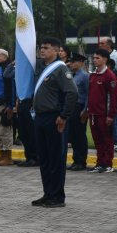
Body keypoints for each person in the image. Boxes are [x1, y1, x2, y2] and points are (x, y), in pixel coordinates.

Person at [31, 37, 78, 208]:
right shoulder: (42, 68)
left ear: (57, 50)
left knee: (56, 158)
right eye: (41, 47)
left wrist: (64, 116)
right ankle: (48, 193)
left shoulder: (60, 69)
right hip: (41, 117)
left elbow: (72, 93)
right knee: (44, 158)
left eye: (46, 48)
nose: (42, 50)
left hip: (54, 118)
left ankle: (58, 196)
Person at [84, 49, 117, 173]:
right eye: (94, 58)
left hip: (103, 114)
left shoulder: (109, 76)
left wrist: (110, 115)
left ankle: (108, 163)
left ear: (105, 59)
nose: (94, 60)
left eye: (97, 58)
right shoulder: (93, 75)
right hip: (93, 113)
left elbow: (113, 98)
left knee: (107, 139)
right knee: (97, 139)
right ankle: (100, 163)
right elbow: (90, 95)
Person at [65, 53, 90, 171]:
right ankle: (76, 160)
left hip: (80, 107)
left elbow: (88, 95)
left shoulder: (85, 76)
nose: (71, 64)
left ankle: (81, 161)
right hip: (71, 108)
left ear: (81, 63)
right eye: (71, 61)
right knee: (73, 135)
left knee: (80, 135)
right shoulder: (70, 75)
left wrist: (85, 110)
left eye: (74, 62)